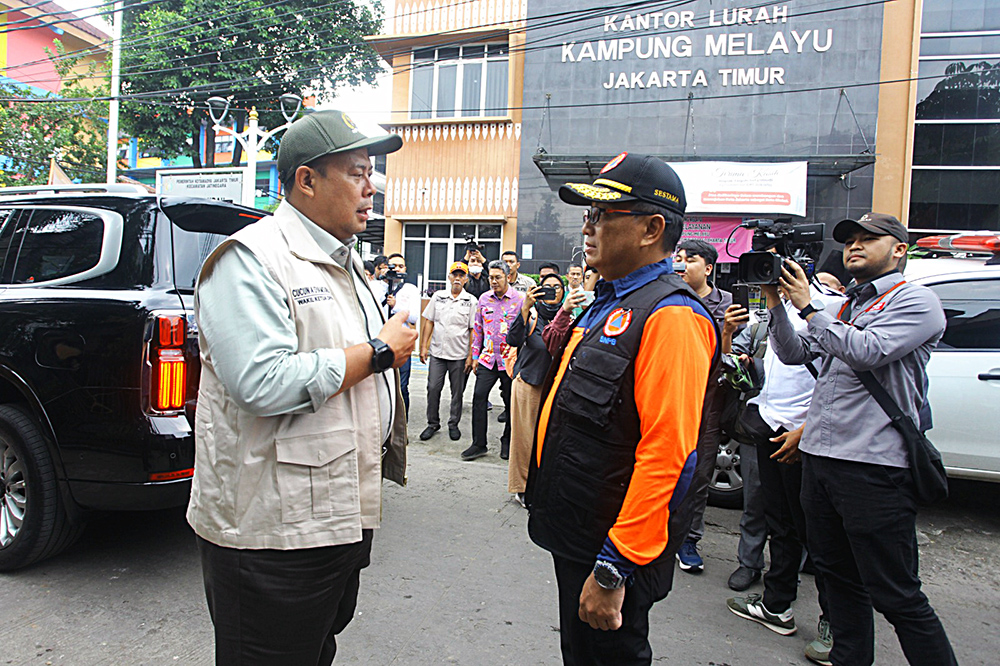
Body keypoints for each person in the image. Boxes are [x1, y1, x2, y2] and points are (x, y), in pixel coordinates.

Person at [188, 110, 417, 664]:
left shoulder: (346, 261)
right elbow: (263, 383)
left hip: (335, 515)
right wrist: (381, 352)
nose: (371, 187)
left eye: (373, 172)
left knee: (315, 650)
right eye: (358, 171)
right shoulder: (252, 258)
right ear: (306, 180)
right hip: (272, 533)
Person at [525, 153, 719, 665]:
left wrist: (615, 567)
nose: (587, 228)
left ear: (652, 228)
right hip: (579, 529)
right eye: (588, 216)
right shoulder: (610, 301)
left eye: (602, 217)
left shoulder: (671, 315)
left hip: (611, 551)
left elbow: (669, 454)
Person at [766, 213, 956, 666]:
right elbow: (794, 354)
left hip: (874, 468)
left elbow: (867, 352)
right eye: (850, 239)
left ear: (899, 250)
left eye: (868, 239)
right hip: (821, 461)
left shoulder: (917, 302)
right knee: (837, 580)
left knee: (896, 593)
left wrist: (810, 308)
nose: (855, 245)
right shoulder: (848, 307)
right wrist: (777, 305)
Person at [723, 268, 844, 665]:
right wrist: (774, 298)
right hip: (771, 427)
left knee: (823, 535)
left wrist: (807, 431)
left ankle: (837, 623)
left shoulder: (832, 309)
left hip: (810, 437)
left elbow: (843, 382)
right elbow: (784, 359)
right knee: (782, 525)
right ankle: (778, 605)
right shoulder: (776, 311)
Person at [673, 239, 734, 574]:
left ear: (709, 267)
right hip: (668, 395)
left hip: (707, 402)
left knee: (698, 475)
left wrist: (726, 334)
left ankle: (689, 539)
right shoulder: (667, 297)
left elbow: (728, 359)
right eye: (677, 259)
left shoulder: (725, 304)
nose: (681, 265)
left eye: (690, 260)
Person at [506, 274, 564, 507]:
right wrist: (524, 308)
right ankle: (521, 487)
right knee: (524, 439)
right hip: (529, 384)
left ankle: (544, 485)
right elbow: (513, 339)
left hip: (555, 388)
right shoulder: (532, 316)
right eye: (546, 287)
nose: (551, 291)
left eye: (557, 287)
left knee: (549, 439)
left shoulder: (568, 318)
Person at [464, 260, 524, 461]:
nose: (494, 281)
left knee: (510, 403)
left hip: (509, 360)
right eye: (491, 277)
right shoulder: (483, 299)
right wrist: (474, 357)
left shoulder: (519, 300)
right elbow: (478, 330)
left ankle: (507, 440)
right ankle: (478, 444)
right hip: (487, 359)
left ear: (508, 277)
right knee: (479, 398)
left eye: (498, 277)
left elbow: (524, 330)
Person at [419, 261, 477, 442]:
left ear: (466, 279)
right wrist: (423, 346)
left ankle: (453, 424)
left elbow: (473, 330)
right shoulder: (438, 296)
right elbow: (429, 321)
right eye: (455, 275)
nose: (458, 278)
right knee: (433, 388)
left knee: (457, 392)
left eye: (461, 275)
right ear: (449, 277)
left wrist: (470, 356)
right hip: (437, 353)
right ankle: (432, 423)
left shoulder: (471, 301)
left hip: (459, 356)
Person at [384, 252, 420, 414]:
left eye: (400, 266)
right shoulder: (378, 287)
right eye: (393, 266)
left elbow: (413, 317)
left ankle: (402, 422)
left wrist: (395, 305)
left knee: (402, 386)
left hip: (401, 344)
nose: (396, 269)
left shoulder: (410, 289)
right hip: (381, 342)